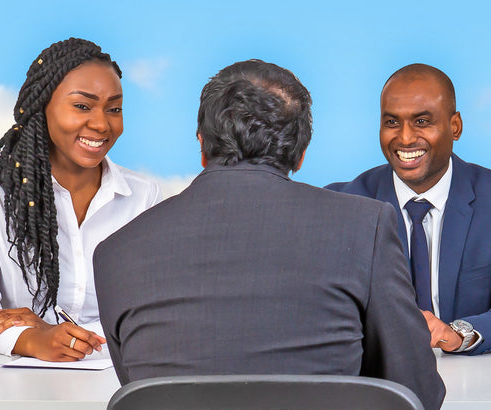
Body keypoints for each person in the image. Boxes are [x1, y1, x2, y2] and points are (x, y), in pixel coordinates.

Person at [93, 59, 446, 409]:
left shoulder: (114, 253)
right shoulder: (365, 226)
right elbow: (417, 392)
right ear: (301, 154)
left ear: (202, 146)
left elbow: (145, 393)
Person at [0, 38, 161, 362]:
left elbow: (151, 316)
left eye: (114, 109)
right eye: (82, 106)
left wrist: (54, 332)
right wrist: (34, 338)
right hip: (14, 383)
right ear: (41, 106)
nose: (102, 124)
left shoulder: (143, 197)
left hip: (115, 378)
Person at [326, 64, 491, 355]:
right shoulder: (342, 205)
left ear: (455, 126)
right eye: (392, 122)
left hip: (477, 383)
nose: (405, 138)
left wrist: (457, 334)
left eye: (421, 121)